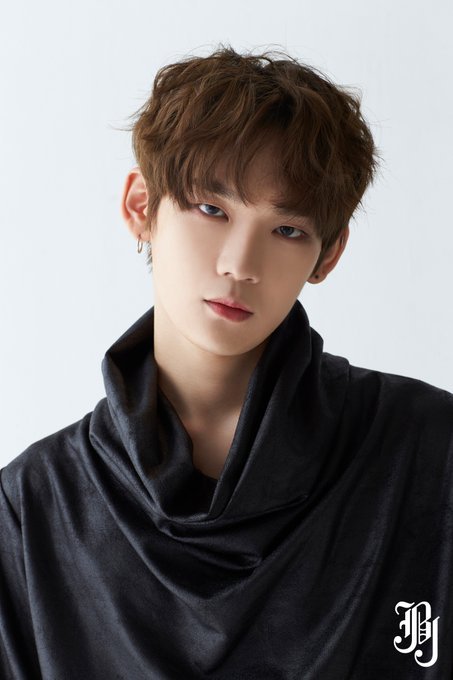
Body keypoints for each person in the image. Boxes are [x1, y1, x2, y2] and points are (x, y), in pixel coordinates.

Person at [1, 44, 452, 679]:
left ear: (328, 254)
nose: (240, 263)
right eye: (212, 210)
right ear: (141, 207)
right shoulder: (34, 510)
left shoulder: (428, 452)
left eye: (287, 230)